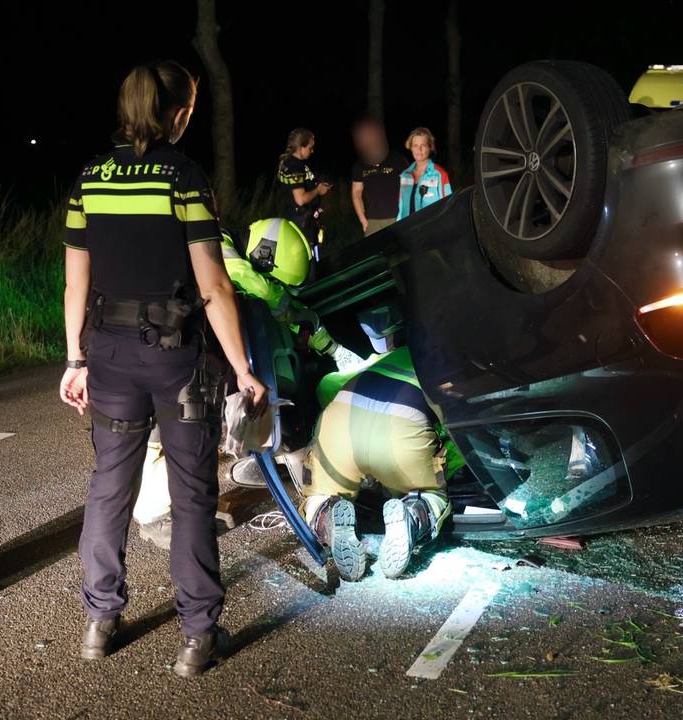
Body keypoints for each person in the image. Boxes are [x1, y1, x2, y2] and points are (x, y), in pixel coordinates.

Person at [58, 60, 266, 677]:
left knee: (109, 484)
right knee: (193, 492)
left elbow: (76, 281)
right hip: (178, 359)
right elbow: (213, 284)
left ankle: (100, 621)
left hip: (111, 354)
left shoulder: (89, 179)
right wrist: (244, 370)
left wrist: (75, 358)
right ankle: (198, 637)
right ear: (178, 113)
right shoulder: (184, 177)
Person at [131, 217, 340, 543]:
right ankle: (156, 517)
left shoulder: (217, 239)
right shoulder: (219, 244)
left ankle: (177, 506)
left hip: (154, 341)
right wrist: (286, 307)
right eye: (277, 282)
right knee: (171, 435)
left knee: (180, 429)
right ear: (265, 257)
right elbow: (241, 280)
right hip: (156, 346)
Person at [301, 344, 460, 581]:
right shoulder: (453, 365)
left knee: (317, 497)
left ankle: (329, 519)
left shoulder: (384, 358)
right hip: (401, 435)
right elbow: (461, 430)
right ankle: (413, 514)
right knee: (432, 495)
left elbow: (326, 386)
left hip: (340, 426)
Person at [349, 118, 406, 236]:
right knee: (373, 253)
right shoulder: (359, 165)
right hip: (373, 221)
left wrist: (404, 213)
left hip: (397, 217)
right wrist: (363, 220)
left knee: (401, 253)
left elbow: (408, 185)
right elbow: (356, 193)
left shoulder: (396, 158)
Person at [277, 128, 332, 242]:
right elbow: (300, 199)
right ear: (301, 147)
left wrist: (318, 185)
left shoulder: (294, 163)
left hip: (302, 219)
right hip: (301, 222)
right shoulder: (294, 166)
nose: (312, 151)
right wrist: (318, 190)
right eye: (310, 148)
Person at [395, 127, 452, 221]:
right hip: (407, 227)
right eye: (415, 145)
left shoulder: (439, 174)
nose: (419, 149)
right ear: (411, 147)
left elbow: (448, 205)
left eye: (423, 145)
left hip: (430, 228)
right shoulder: (405, 175)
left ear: (430, 147)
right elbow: (401, 206)